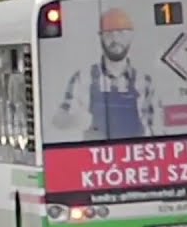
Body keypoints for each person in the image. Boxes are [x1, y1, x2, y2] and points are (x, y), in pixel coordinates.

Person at [51, 7, 157, 140]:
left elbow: (155, 127)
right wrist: (77, 120)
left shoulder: (144, 81)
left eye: (121, 33)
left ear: (131, 35)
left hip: (134, 155)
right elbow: (59, 119)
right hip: (94, 155)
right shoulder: (83, 78)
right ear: (100, 37)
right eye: (109, 33)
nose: (115, 39)